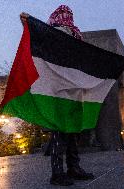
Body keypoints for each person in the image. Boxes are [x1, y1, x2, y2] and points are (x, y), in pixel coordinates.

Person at [20, 5, 94, 186]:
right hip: (61, 90)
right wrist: (29, 24)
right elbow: (37, 43)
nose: (68, 18)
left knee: (71, 131)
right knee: (61, 132)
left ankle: (72, 168)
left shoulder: (73, 34)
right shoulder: (54, 33)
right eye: (66, 15)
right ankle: (58, 172)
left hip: (71, 89)